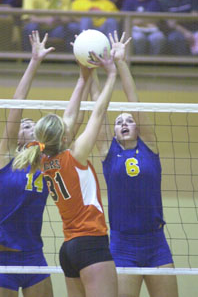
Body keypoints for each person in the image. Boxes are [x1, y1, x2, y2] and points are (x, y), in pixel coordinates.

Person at [12, 48, 118, 297]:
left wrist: (84, 77)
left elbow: (69, 117)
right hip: (92, 243)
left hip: (69, 250)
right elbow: (98, 113)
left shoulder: (43, 159)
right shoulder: (74, 155)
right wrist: (110, 74)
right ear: (63, 136)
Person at [90, 31, 179, 297]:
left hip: (156, 243)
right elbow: (98, 109)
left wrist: (121, 62)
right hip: (122, 245)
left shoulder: (149, 146)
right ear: (114, 132)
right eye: (119, 122)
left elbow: (134, 100)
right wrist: (91, 70)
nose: (124, 123)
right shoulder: (108, 150)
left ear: (138, 128)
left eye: (129, 121)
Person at [0, 31, 56, 297]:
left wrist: (85, 77)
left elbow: (73, 122)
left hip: (33, 257)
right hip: (1, 259)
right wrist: (34, 62)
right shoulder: (6, 157)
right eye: (24, 125)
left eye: (33, 125)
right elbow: (16, 107)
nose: (28, 125)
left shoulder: (47, 163)